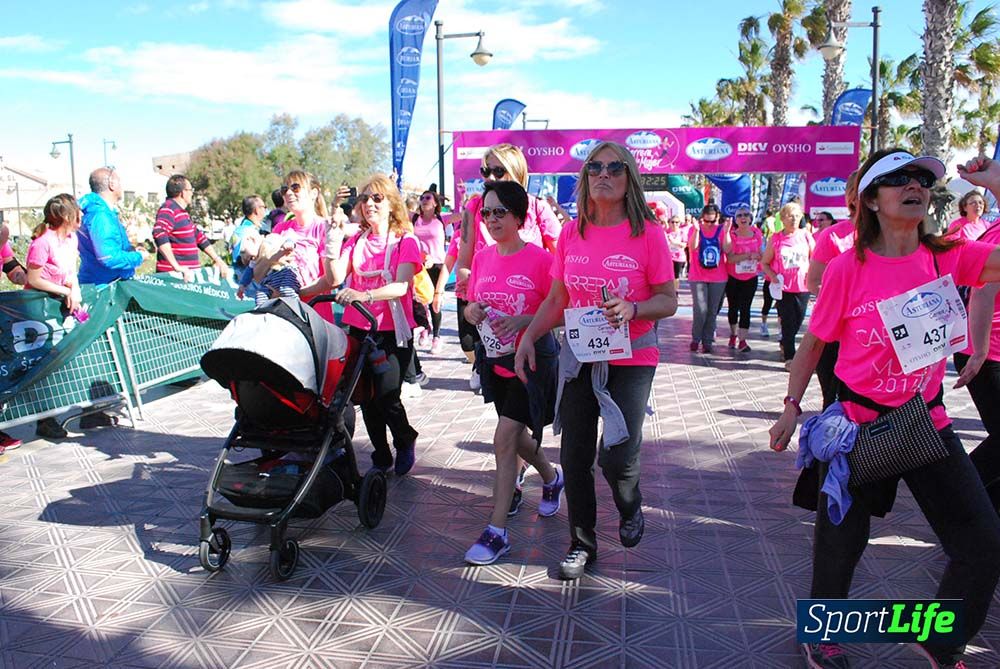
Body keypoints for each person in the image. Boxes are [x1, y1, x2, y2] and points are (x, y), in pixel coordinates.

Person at [769, 149, 1000, 669]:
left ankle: (939, 638)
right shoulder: (849, 268)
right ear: (871, 199)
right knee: (841, 544)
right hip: (858, 429)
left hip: (925, 422)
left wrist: (998, 184)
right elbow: (813, 344)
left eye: (921, 179)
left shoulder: (947, 255)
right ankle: (822, 634)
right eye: (897, 180)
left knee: (984, 542)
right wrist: (790, 407)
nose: (914, 185)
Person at [514, 141, 678, 580]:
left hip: (633, 354)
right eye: (595, 167)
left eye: (615, 167)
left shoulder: (649, 235)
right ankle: (581, 544)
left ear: (629, 180)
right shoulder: (571, 233)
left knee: (617, 454)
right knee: (575, 452)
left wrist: (634, 309)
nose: (603, 173)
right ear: (585, 178)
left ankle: (629, 502)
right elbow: (556, 298)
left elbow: (668, 300)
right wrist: (530, 335)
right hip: (580, 355)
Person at [462, 181, 564, 565]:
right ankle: (553, 479)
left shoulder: (541, 259)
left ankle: (496, 532)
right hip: (495, 361)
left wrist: (524, 320)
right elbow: (476, 301)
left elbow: (557, 309)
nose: (491, 219)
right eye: (486, 213)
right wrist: (472, 312)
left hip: (533, 360)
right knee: (517, 436)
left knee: (504, 439)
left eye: (499, 212)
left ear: (520, 216)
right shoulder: (485, 257)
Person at [323, 174, 420, 476]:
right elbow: (335, 278)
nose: (369, 204)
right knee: (366, 397)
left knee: (388, 395)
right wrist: (333, 235)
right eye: (365, 198)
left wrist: (363, 294)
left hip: (392, 331)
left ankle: (405, 438)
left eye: (377, 198)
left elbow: (402, 286)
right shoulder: (356, 241)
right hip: (359, 330)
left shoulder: (407, 241)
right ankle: (381, 452)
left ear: (392, 204)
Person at [456, 143, 562, 389]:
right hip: (493, 327)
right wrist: (478, 292)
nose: (491, 177)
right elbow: (464, 262)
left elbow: (560, 262)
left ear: (517, 172)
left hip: (533, 323)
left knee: (521, 412)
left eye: (499, 171)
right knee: (509, 412)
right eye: (485, 171)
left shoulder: (537, 208)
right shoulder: (473, 209)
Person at [25, 195, 84, 439]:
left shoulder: (71, 239)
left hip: (64, 305)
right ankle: (44, 419)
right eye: (77, 211)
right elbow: (33, 278)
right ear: (67, 216)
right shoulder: (42, 242)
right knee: (40, 365)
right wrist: (65, 291)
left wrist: (75, 290)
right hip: (39, 309)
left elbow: (72, 271)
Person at [806, 171, 860, 409]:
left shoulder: (902, 239)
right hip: (834, 334)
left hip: (879, 344)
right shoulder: (833, 236)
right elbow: (813, 281)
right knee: (834, 404)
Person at [762, 201, 814, 369]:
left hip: (803, 286)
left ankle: (785, 343)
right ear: (783, 219)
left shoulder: (805, 235)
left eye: (797, 216)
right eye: (790, 216)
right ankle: (790, 358)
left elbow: (816, 258)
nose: (794, 219)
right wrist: (773, 277)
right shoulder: (776, 238)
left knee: (799, 320)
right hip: (783, 288)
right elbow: (764, 263)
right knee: (787, 322)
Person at [78, 167, 147, 286]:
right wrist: (139, 257)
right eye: (119, 182)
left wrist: (130, 250)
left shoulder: (103, 212)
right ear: (112, 184)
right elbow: (109, 258)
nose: (121, 186)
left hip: (102, 283)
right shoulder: (101, 216)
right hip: (103, 287)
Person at [153, 175, 228, 280]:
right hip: (174, 279)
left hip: (188, 277)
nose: (192, 193)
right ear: (183, 193)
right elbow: (159, 233)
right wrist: (176, 267)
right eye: (190, 190)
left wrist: (217, 260)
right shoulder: (168, 209)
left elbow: (199, 237)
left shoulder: (182, 213)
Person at [687, 203, 728, 353]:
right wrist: (697, 231)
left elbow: (727, 250)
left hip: (718, 276)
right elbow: (692, 247)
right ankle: (695, 338)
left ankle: (708, 340)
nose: (709, 225)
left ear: (718, 219)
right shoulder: (695, 229)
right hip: (698, 275)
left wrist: (727, 232)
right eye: (706, 221)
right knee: (700, 310)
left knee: (712, 310)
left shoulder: (722, 230)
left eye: (712, 221)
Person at [722, 206, 762, 352]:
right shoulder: (732, 235)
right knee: (733, 307)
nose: (743, 218)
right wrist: (748, 256)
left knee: (746, 308)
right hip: (733, 277)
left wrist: (759, 256)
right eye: (739, 216)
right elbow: (730, 258)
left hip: (751, 277)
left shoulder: (757, 233)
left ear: (751, 218)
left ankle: (743, 340)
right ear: (735, 219)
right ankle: (733, 334)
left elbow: (760, 253)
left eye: (746, 215)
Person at [412, 190, 447, 354]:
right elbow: (395, 208)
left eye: (428, 198)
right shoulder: (414, 219)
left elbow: (464, 215)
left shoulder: (441, 219)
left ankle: (437, 337)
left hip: (438, 266)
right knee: (419, 300)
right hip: (419, 265)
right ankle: (425, 327)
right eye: (422, 198)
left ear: (435, 203)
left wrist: (464, 197)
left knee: (435, 302)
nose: (424, 200)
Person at [230, 195, 267, 272]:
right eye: (264, 207)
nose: (265, 210)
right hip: (247, 277)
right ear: (257, 210)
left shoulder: (238, 230)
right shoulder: (250, 232)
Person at [665, 214, 687, 290]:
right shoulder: (666, 232)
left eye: (677, 222)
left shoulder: (682, 232)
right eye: (672, 222)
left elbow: (684, 245)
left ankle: (675, 292)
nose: (674, 224)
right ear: (669, 223)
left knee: (676, 276)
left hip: (679, 257)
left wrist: (674, 242)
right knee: (668, 276)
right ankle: (669, 291)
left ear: (679, 223)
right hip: (668, 257)